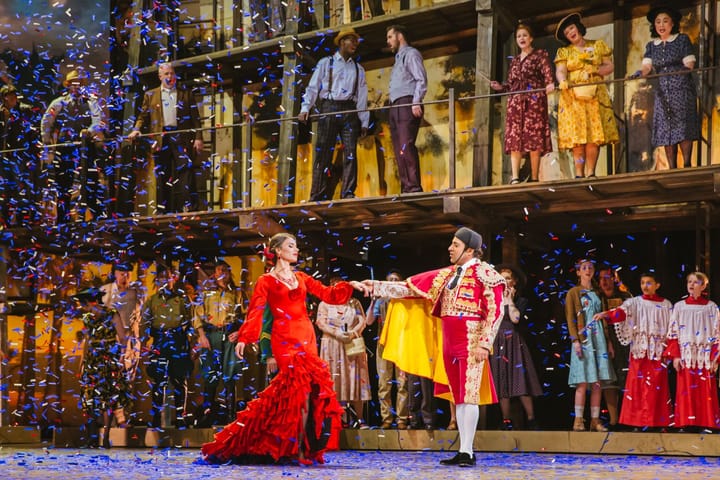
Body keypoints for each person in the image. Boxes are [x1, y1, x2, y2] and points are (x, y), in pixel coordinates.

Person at [201, 232, 369, 465]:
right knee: (294, 393)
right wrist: (245, 338)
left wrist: (350, 286)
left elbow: (328, 294)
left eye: (296, 246)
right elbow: (257, 312)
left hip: (306, 337)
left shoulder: (301, 277)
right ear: (278, 251)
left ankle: (303, 446)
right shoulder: (266, 281)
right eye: (291, 246)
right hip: (284, 339)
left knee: (310, 393)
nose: (296, 250)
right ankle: (292, 448)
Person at [364, 227, 505, 467]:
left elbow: (496, 310)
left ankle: (468, 451)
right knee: (458, 397)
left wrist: (485, 342)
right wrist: (376, 286)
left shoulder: (487, 274)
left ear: (470, 250)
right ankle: (463, 450)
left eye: (455, 245)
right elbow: (410, 288)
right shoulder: (447, 275)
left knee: (468, 396)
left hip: (471, 341)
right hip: (449, 341)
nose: (450, 248)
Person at [593, 272, 673, 429]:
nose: (645, 286)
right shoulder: (635, 302)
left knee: (656, 388)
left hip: (657, 353)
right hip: (639, 352)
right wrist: (605, 314)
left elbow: (672, 329)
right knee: (637, 387)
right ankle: (637, 422)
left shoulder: (666, 305)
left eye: (649, 282)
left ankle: (656, 422)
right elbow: (621, 312)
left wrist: (669, 351)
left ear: (657, 285)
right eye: (643, 282)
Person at [299, 28, 369, 201]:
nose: (354, 44)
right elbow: (313, 87)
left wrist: (364, 121)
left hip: (349, 109)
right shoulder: (326, 63)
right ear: (342, 42)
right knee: (323, 152)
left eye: (356, 41)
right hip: (329, 107)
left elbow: (362, 97)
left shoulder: (358, 69)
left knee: (350, 153)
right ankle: (317, 194)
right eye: (351, 40)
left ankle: (348, 192)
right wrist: (305, 108)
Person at [128, 62, 204, 213]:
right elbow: (143, 116)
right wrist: (136, 129)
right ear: (160, 76)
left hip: (180, 136)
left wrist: (198, 137)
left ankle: (190, 207)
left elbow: (196, 118)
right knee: (163, 175)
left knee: (186, 172)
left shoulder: (186, 93)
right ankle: (164, 211)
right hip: (161, 137)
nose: (170, 77)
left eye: (172, 73)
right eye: (167, 74)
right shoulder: (151, 95)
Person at [629, 5, 698, 169]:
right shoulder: (652, 46)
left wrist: (683, 71)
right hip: (662, 92)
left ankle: (687, 163)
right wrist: (640, 73)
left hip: (681, 88)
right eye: (658, 22)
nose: (661, 25)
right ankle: (672, 166)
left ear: (672, 23)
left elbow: (690, 63)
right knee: (667, 128)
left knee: (683, 125)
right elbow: (647, 67)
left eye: (665, 21)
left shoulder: (682, 40)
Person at [554, 13, 619, 178]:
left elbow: (609, 66)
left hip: (594, 94)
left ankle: (591, 172)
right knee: (578, 138)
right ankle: (579, 173)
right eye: (566, 33)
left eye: (571, 28)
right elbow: (560, 70)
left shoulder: (597, 45)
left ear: (578, 27)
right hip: (573, 96)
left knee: (593, 135)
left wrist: (596, 69)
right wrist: (562, 81)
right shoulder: (564, 51)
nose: (570, 33)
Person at [490, 23, 555, 184]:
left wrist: (549, 83)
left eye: (525, 35)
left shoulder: (539, 55)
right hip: (515, 104)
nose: (522, 38)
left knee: (533, 138)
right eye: (519, 36)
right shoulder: (515, 61)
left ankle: (534, 177)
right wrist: (500, 87)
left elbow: (547, 73)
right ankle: (515, 177)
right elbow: (511, 84)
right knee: (515, 139)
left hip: (533, 102)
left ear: (531, 38)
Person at [41, 69, 106, 223]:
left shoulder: (91, 102)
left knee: (90, 180)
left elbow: (98, 121)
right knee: (63, 183)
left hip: (86, 147)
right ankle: (63, 219)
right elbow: (46, 121)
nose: (76, 86)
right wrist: (47, 140)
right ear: (69, 85)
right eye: (73, 83)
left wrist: (88, 132)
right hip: (65, 147)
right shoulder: (59, 103)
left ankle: (95, 217)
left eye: (79, 83)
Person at [76, 287, 132, 448]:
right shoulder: (87, 318)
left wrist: (121, 357)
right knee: (90, 398)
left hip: (108, 358)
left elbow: (122, 337)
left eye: (85, 305)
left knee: (108, 399)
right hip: (93, 360)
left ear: (92, 302)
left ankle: (106, 437)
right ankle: (92, 437)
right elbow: (87, 341)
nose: (85, 309)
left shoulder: (111, 313)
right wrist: (82, 363)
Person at [664, 272, 720, 431]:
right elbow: (673, 332)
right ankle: (685, 423)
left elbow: (717, 334)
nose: (691, 284)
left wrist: (715, 357)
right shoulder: (680, 306)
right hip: (687, 354)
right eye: (689, 281)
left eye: (696, 282)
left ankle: (706, 423)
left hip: (704, 355)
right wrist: (675, 355)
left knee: (705, 390)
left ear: (703, 286)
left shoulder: (711, 307)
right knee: (685, 389)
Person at [565, 259, 616, 432]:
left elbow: (605, 320)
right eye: (583, 268)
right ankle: (578, 420)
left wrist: (608, 342)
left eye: (590, 267)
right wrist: (575, 340)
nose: (587, 270)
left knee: (597, 383)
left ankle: (595, 420)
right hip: (584, 340)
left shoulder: (598, 293)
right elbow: (570, 318)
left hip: (599, 339)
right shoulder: (573, 293)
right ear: (578, 272)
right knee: (582, 382)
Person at [489, 264, 542, 430]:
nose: (505, 281)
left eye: (508, 278)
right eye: (501, 278)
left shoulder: (521, 300)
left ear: (514, 282)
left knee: (520, 379)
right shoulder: (492, 299)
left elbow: (516, 318)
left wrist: (509, 300)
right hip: (498, 343)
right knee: (502, 381)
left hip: (514, 343)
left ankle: (531, 418)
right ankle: (506, 420)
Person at [316, 276, 371, 428]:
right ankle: (341, 418)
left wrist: (353, 332)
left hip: (351, 344)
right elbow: (321, 322)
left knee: (355, 377)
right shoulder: (325, 303)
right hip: (332, 346)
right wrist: (336, 333)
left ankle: (359, 418)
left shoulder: (354, 302)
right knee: (337, 379)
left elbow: (362, 320)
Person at [142, 263, 193, 428]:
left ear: (174, 278)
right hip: (159, 341)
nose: (165, 280)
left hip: (178, 341)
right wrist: (144, 343)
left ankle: (180, 416)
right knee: (158, 380)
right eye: (162, 277)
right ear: (157, 280)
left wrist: (190, 343)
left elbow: (191, 321)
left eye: (168, 277)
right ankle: (156, 417)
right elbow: (144, 323)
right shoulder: (152, 300)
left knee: (179, 380)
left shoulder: (183, 298)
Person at [193, 260, 242, 426]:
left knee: (230, 376)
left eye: (226, 271)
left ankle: (231, 415)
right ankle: (207, 414)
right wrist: (201, 335)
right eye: (219, 271)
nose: (223, 274)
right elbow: (198, 315)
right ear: (214, 274)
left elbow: (246, 316)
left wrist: (240, 332)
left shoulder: (236, 293)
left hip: (229, 336)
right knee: (210, 376)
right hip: (211, 335)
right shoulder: (207, 293)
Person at [386, 24, 427, 194]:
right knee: (398, 149)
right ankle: (406, 186)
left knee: (405, 145)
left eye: (390, 37)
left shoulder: (411, 54)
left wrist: (416, 101)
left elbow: (421, 79)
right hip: (395, 105)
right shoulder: (397, 59)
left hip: (406, 102)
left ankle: (414, 186)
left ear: (399, 36)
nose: (388, 41)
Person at [100, 261, 143, 424]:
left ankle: (125, 417)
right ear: (115, 273)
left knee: (127, 380)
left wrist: (137, 340)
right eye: (121, 272)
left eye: (127, 273)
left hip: (131, 341)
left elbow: (139, 316)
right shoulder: (105, 291)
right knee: (111, 379)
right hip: (111, 340)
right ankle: (113, 418)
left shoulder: (136, 292)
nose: (125, 276)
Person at [367, 270, 409, 429]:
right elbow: (369, 321)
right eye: (389, 280)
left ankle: (401, 419)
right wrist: (372, 302)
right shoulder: (382, 301)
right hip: (383, 346)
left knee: (402, 383)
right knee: (384, 384)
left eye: (395, 280)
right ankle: (386, 418)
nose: (392, 282)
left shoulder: (405, 301)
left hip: (401, 345)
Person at [597, 266, 632, 429]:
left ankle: (628, 419)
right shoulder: (598, 298)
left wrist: (620, 283)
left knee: (626, 381)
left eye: (608, 277)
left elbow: (632, 306)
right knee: (609, 382)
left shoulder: (624, 297)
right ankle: (613, 420)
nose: (604, 281)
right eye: (601, 278)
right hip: (606, 343)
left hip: (624, 343)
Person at [1, 84, 39, 227]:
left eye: (14, 95)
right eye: (9, 96)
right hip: (4, 156)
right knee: (5, 189)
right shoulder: (1, 112)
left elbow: (31, 132)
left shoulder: (24, 110)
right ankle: (6, 220)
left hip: (20, 155)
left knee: (21, 187)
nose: (12, 98)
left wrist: (32, 151)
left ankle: (23, 219)